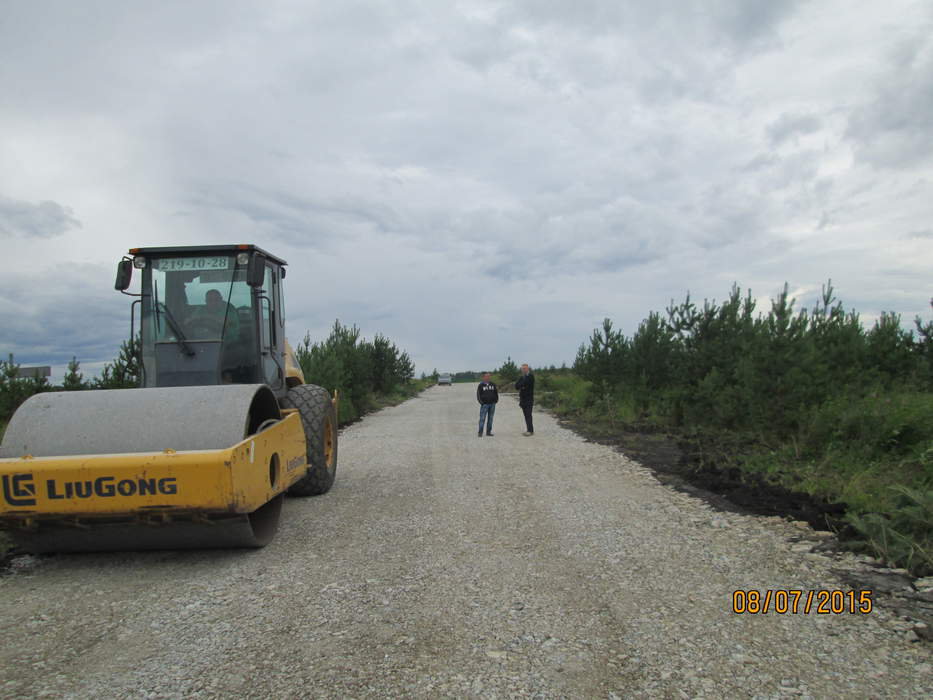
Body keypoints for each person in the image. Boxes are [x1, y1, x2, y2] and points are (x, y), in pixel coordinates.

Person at [476, 372, 499, 437]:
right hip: (485, 405)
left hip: (492, 404)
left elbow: (496, 393)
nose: (488, 377)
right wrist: (482, 403)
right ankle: (480, 432)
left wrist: (496, 400)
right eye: (486, 376)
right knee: (482, 418)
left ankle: (488, 432)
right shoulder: (481, 385)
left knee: (490, 418)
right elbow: (478, 395)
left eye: (489, 376)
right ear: (483, 377)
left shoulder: (493, 384)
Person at [514, 363, 535, 435]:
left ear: (528, 369)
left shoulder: (531, 376)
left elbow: (526, 384)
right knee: (526, 415)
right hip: (522, 399)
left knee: (528, 415)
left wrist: (522, 386)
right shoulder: (521, 377)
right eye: (522, 369)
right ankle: (528, 429)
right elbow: (516, 386)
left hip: (529, 399)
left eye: (525, 368)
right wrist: (522, 386)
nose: (523, 370)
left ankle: (530, 431)